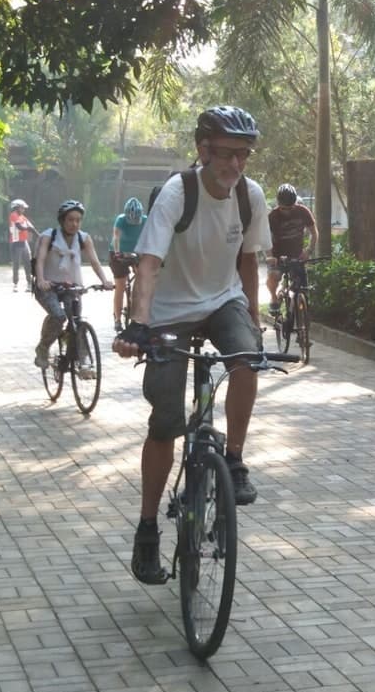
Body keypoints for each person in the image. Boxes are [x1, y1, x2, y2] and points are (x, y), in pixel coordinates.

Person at [112, 106, 272, 586]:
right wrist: (138, 324)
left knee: (247, 359)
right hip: (170, 312)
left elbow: (248, 262)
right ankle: (147, 530)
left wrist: (254, 321)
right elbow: (148, 263)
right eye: (226, 154)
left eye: (244, 155)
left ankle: (235, 459)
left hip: (223, 301)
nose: (236, 164)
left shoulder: (249, 195)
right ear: (203, 150)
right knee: (165, 422)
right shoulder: (177, 193)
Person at [33, 200, 114, 375]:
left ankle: (83, 363)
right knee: (58, 316)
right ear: (62, 220)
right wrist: (41, 280)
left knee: (76, 321)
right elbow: (40, 260)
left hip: (71, 286)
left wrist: (105, 280)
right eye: (70, 220)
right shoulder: (49, 236)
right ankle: (43, 348)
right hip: (48, 286)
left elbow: (95, 262)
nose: (74, 224)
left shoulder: (84, 238)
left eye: (78, 220)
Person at [266, 183, 317, 311]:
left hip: (297, 255)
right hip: (278, 256)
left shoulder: (303, 211)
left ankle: (301, 314)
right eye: (284, 209)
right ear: (278, 204)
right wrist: (270, 256)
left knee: (303, 290)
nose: (287, 211)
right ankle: (273, 297)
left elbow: (314, 233)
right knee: (274, 276)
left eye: (290, 208)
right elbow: (265, 239)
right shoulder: (272, 216)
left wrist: (308, 250)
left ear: (295, 203)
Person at [109, 197, 146, 332]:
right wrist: (118, 252)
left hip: (136, 252)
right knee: (121, 285)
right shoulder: (121, 219)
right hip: (119, 253)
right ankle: (118, 319)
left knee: (142, 279)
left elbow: (149, 237)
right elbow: (116, 237)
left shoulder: (146, 220)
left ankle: (136, 312)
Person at [8, 199, 37, 292]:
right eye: (22, 208)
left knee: (28, 263)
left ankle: (29, 284)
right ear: (17, 207)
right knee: (16, 265)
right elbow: (18, 226)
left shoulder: (23, 217)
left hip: (24, 243)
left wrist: (39, 236)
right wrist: (27, 228)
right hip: (16, 244)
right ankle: (15, 284)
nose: (24, 209)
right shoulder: (13, 215)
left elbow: (31, 227)